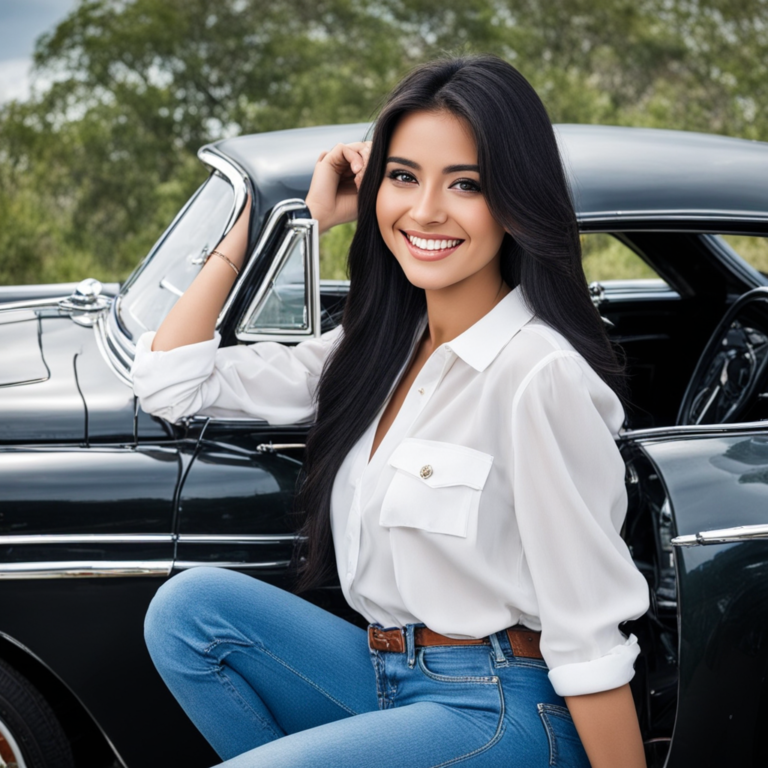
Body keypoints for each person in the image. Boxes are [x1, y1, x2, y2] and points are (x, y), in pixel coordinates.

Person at [133, 54, 650, 767]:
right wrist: (292, 220)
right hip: (388, 675)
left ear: (515, 201)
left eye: (466, 184)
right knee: (189, 614)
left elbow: (589, 635)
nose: (427, 210)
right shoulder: (379, 348)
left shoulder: (538, 376)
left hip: (504, 709)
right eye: (404, 177)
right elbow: (172, 383)